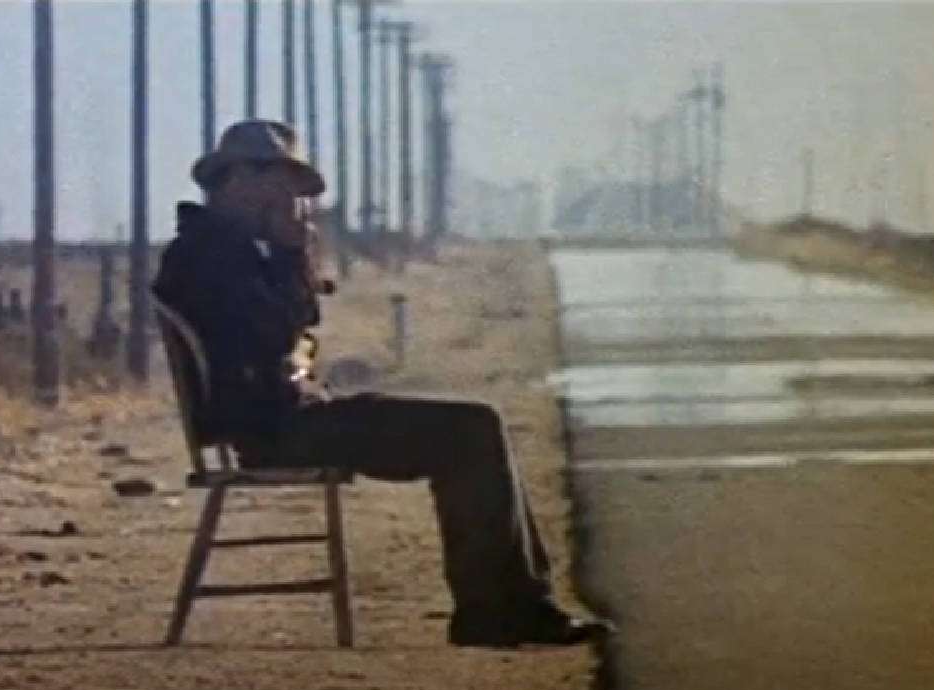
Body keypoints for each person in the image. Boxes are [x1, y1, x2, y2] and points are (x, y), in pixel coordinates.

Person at [152, 119, 610, 649]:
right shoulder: (211, 255)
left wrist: (288, 264)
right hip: (275, 428)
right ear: (236, 178)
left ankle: (514, 604)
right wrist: (290, 255)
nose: (289, 201)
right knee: (468, 431)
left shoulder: (225, 249)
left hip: (283, 416)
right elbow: (279, 331)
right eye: (279, 183)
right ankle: (500, 611)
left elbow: (294, 331)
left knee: (474, 426)